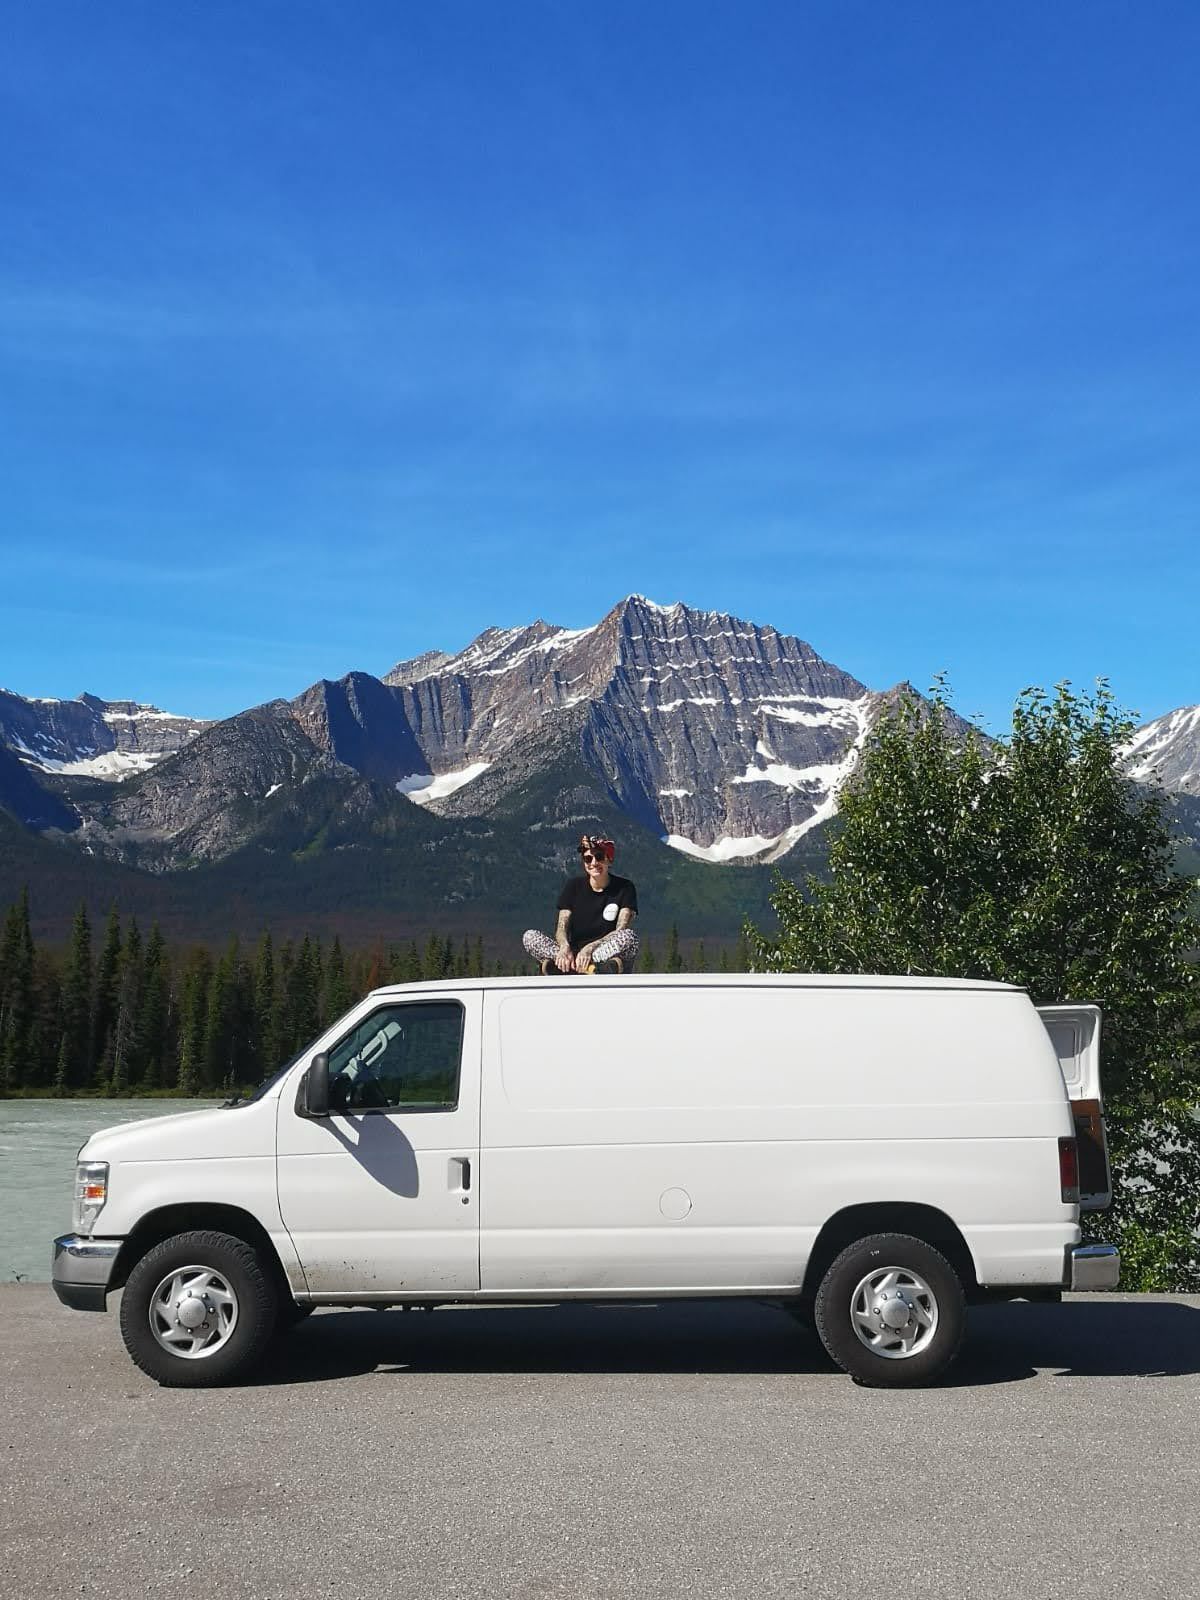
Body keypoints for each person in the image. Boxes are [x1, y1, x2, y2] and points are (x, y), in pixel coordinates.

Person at [523, 834, 640, 974]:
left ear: (609, 859)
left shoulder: (625, 888)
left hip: (603, 952)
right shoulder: (573, 886)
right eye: (588, 858)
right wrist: (564, 947)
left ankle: (591, 966)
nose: (594, 862)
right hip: (574, 954)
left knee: (629, 937)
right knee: (529, 936)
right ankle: (571, 964)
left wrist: (590, 948)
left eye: (599, 857)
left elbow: (621, 930)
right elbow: (562, 927)